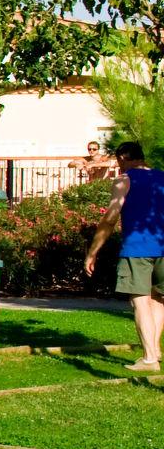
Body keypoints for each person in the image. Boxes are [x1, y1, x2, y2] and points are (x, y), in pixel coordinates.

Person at [84, 141, 163, 371]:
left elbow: (110, 218)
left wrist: (92, 252)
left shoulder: (124, 180)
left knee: (139, 301)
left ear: (123, 158)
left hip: (138, 248)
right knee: (158, 299)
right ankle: (155, 350)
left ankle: (149, 359)